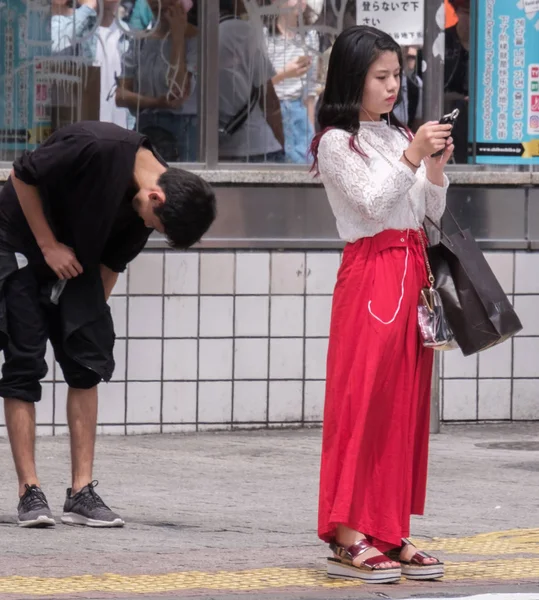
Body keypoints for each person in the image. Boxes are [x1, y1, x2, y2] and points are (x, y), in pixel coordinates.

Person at [0, 121, 216, 528]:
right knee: (24, 358)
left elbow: (111, 264)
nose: (151, 228)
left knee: (86, 361)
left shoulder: (152, 202)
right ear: (157, 196)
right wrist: (48, 246)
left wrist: (85, 316)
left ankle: (80, 493)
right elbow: (21, 175)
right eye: (157, 223)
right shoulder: (95, 146)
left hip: (77, 258)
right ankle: (29, 492)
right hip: (21, 238)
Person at [311, 26, 453, 583]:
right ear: (353, 78)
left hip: (411, 269)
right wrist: (414, 155)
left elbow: (427, 214)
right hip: (371, 272)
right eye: (381, 76)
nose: (394, 85)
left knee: (404, 408)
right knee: (361, 402)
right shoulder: (334, 143)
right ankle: (348, 534)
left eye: (397, 75)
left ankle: (390, 530)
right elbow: (371, 205)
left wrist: (433, 166)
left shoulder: (396, 137)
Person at [116, 0, 199, 161]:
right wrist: (156, 102)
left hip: (183, 131)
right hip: (145, 127)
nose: (157, 3)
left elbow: (177, 89)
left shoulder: (197, 42)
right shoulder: (140, 41)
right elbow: (121, 96)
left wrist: (178, 37)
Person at [218, 0, 284, 163]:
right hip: (256, 146)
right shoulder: (240, 31)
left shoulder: (196, 35)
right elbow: (269, 98)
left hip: (215, 151)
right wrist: (282, 143)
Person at [263, 0, 319, 163]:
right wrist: (285, 74)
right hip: (272, 109)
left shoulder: (310, 36)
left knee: (304, 166)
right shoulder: (265, 35)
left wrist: (312, 130)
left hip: (299, 110)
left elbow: (310, 89)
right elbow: (258, 86)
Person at [444, 0, 470, 163]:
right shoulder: (443, 40)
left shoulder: (488, 41)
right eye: (467, 13)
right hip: (449, 109)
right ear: (457, 12)